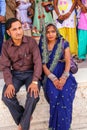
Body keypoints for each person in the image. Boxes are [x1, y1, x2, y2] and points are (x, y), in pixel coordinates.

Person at [0, 18, 42, 130]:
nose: (18, 32)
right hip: (16, 75)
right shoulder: (5, 46)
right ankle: (25, 120)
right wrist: (9, 83)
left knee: (33, 96)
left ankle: (22, 126)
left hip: (31, 74)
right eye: (14, 29)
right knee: (6, 97)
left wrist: (34, 81)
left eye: (20, 28)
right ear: (8, 32)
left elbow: (38, 62)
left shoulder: (31, 42)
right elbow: (5, 67)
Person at [39, 23, 77, 130]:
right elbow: (43, 65)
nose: (50, 34)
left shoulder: (63, 43)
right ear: (44, 34)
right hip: (49, 74)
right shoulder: (42, 45)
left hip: (63, 72)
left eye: (53, 31)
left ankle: (65, 127)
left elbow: (68, 61)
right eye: (47, 32)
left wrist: (64, 78)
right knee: (54, 95)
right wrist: (54, 79)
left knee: (65, 95)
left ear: (56, 32)